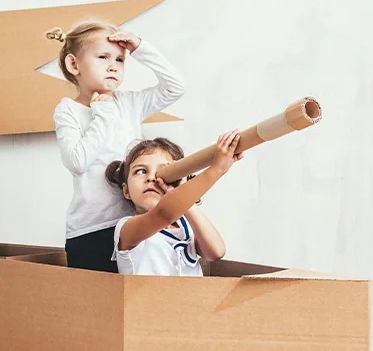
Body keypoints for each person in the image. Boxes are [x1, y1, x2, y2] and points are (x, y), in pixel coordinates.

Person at [45, 20, 186, 272]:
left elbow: (176, 87)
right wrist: (103, 114)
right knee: (96, 304)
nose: (113, 66)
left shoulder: (130, 103)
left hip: (133, 224)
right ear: (73, 64)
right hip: (91, 230)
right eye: (103, 57)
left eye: (120, 60)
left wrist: (140, 48)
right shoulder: (68, 110)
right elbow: (77, 162)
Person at [104, 131, 244, 276]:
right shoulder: (126, 229)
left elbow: (216, 252)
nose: (151, 177)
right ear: (126, 191)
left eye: (163, 171)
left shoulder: (187, 228)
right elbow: (164, 213)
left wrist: (184, 198)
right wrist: (217, 169)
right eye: (140, 171)